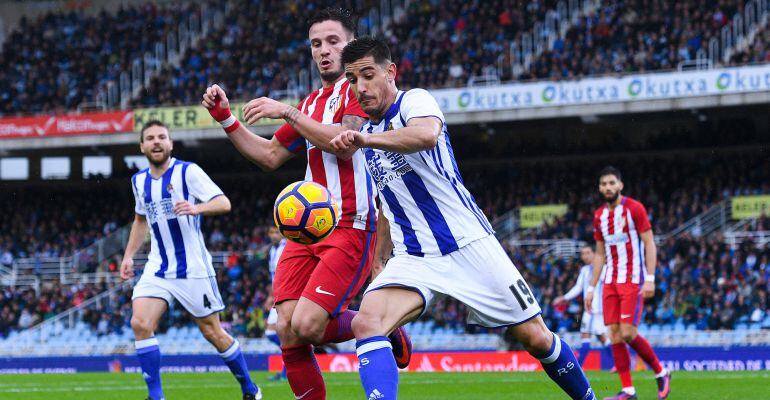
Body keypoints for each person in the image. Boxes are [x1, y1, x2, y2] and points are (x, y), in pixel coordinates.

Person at [329, 37, 595, 400]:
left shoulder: (414, 101)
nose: (361, 87)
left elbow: (426, 135)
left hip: (468, 243)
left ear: (390, 72)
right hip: (414, 257)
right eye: (352, 79)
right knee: (367, 320)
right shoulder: (370, 138)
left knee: (535, 337)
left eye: (367, 75)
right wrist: (378, 259)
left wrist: (364, 139)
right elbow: (388, 205)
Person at [201, 8, 410, 400]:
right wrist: (227, 119)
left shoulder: (362, 91)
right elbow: (269, 155)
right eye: (317, 44)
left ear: (352, 44)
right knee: (287, 329)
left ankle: (380, 323)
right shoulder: (312, 102)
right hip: (306, 229)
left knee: (311, 325)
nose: (324, 51)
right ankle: (377, 325)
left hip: (351, 224)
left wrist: (286, 111)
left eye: (333, 41)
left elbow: (344, 144)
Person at [121, 120, 261, 400]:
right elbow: (140, 220)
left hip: (193, 269)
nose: (156, 142)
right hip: (157, 268)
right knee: (140, 323)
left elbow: (223, 202)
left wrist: (196, 208)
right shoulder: (138, 181)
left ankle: (249, 388)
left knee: (213, 333)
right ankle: (156, 396)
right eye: (150, 138)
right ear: (142, 146)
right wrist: (128, 256)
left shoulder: (188, 172)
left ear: (171, 144)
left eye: (162, 137)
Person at [584, 166, 672, 400]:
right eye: (604, 184)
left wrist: (651, 278)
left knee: (628, 332)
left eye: (612, 183)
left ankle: (661, 372)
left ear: (620, 185)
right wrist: (591, 288)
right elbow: (600, 254)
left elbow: (650, 243)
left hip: (633, 280)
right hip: (609, 282)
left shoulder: (634, 209)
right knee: (613, 334)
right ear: (600, 188)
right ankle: (628, 391)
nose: (608, 187)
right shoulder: (599, 216)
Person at [553, 245, 611, 367]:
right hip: (588, 308)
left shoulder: (604, 269)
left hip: (598, 309)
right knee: (600, 337)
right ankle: (618, 364)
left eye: (588, 252)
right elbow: (578, 287)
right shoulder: (585, 270)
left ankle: (577, 367)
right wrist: (564, 298)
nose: (585, 256)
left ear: (595, 254)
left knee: (588, 335)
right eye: (583, 253)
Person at [264, 226, 287, 381]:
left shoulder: (287, 248)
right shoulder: (273, 251)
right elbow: (273, 276)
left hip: (285, 296)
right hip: (277, 296)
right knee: (271, 333)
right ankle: (289, 367)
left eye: (276, 232)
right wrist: (270, 296)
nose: (273, 235)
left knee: (276, 332)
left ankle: (287, 371)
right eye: (271, 232)